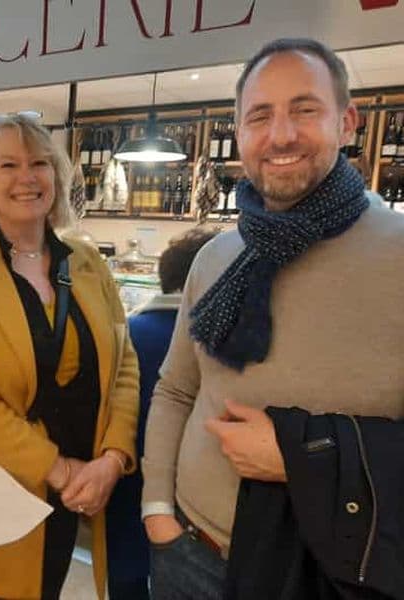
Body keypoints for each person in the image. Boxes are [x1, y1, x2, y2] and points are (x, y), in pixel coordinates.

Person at [141, 37, 404, 600]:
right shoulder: (216, 257)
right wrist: (157, 511)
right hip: (188, 555)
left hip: (326, 576)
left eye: (304, 109)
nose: (281, 134)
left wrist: (304, 458)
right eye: (260, 115)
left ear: (348, 122)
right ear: (240, 134)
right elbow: (176, 391)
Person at [0, 113, 139, 600]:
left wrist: (112, 458)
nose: (27, 177)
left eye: (40, 163)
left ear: (57, 179)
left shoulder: (86, 262)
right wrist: (57, 468)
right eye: (9, 165)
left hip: (72, 497)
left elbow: (124, 361)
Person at [105, 227, 217, 600]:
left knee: (126, 574)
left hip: (126, 475)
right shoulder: (221, 341)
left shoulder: (129, 333)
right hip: (196, 497)